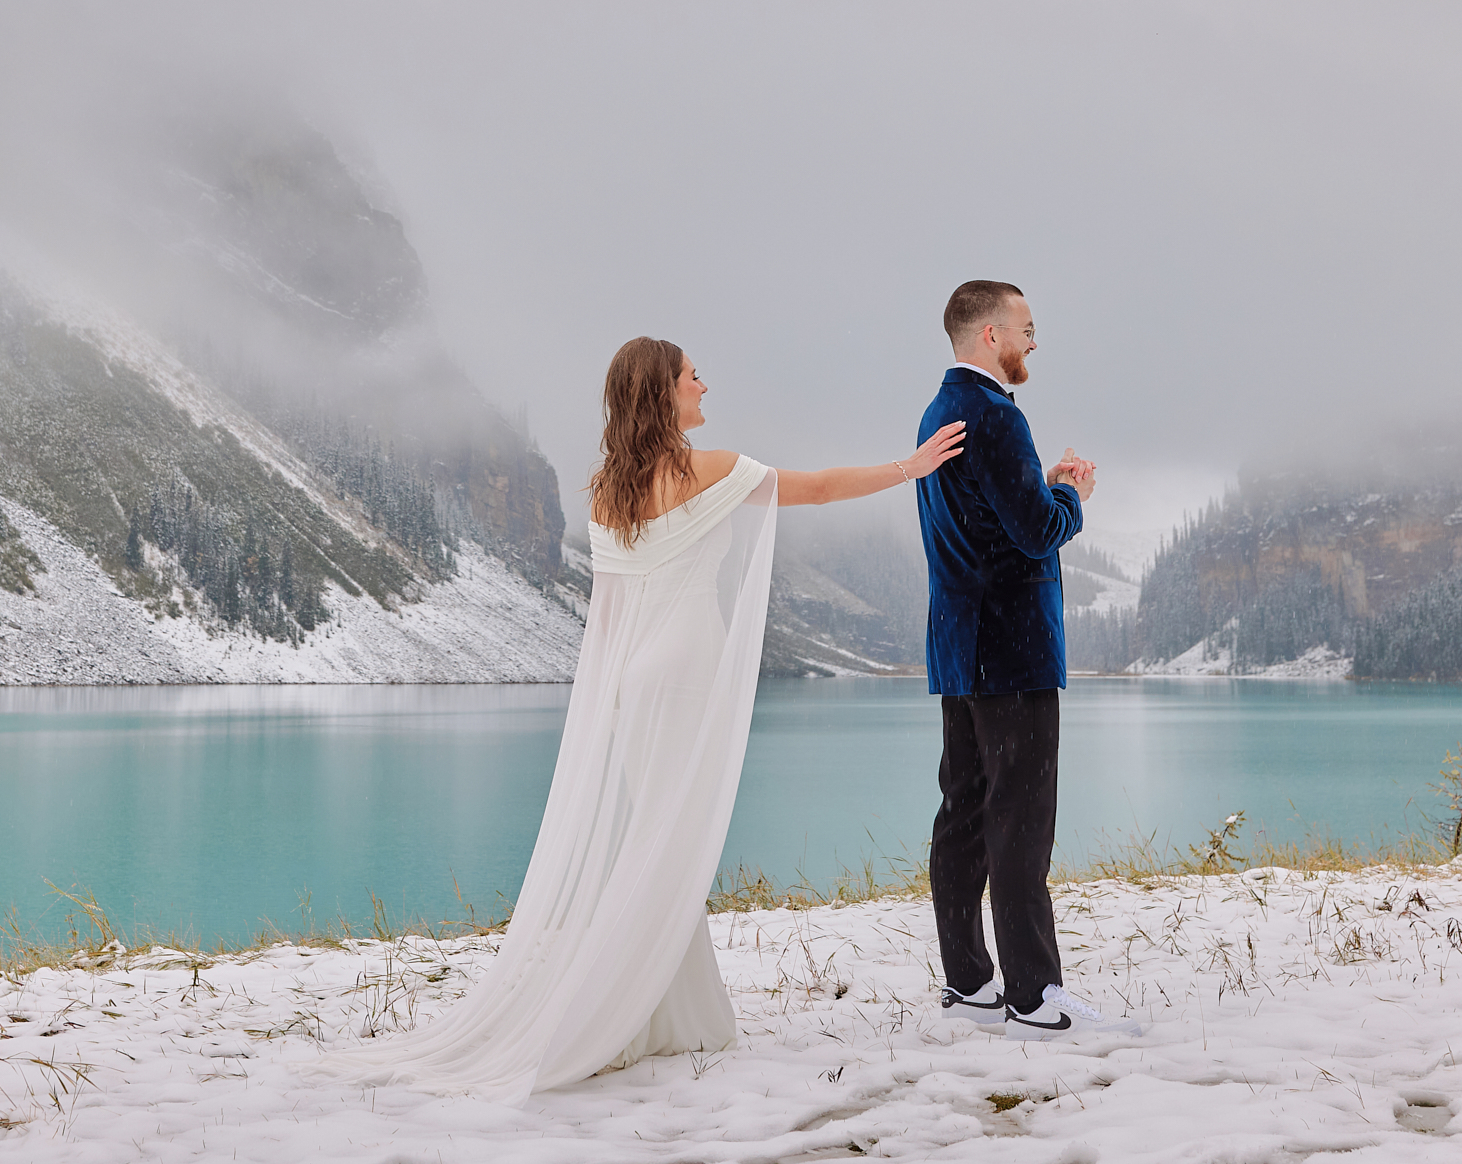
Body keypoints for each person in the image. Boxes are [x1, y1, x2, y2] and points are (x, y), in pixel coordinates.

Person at [351, 335, 964, 1103]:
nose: (705, 383)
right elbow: (816, 488)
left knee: (656, 841)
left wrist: (607, 691)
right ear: (663, 393)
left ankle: (676, 1014)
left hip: (638, 680)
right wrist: (909, 467)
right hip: (682, 673)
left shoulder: (611, 486)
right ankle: (604, 1014)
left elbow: (610, 612)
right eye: (692, 375)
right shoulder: (703, 468)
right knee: (663, 847)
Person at [916, 280, 1137, 1041]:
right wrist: (1071, 492)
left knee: (966, 814)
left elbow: (987, 517)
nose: (1033, 341)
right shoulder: (999, 416)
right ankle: (1035, 996)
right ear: (989, 336)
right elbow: (1037, 533)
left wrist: (1038, 489)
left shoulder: (940, 410)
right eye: (1026, 328)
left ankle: (970, 980)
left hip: (957, 646)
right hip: (1012, 652)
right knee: (1020, 820)